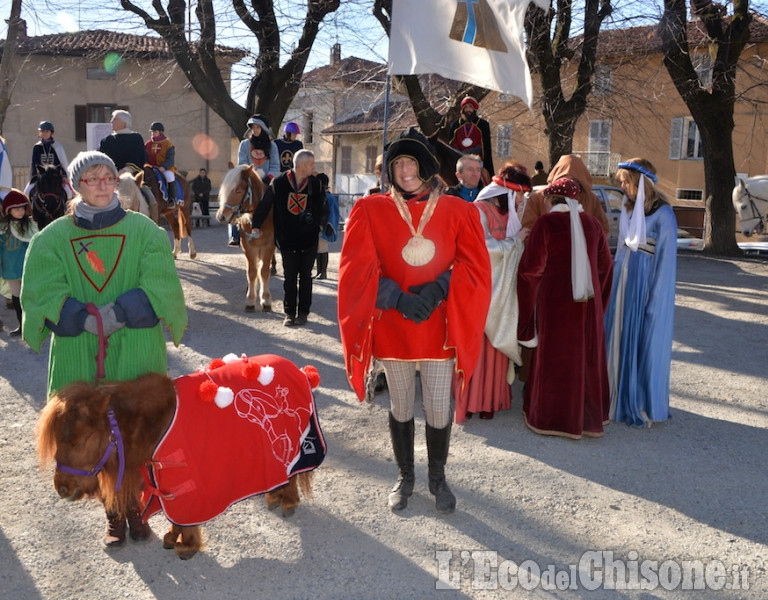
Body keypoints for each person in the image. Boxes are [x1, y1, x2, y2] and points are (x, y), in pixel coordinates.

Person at [21, 150, 187, 547]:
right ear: (76, 186)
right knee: (88, 433)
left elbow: (161, 285)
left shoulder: (146, 232)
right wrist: (82, 317)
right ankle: (113, 515)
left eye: (107, 178)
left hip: (135, 349)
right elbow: (43, 290)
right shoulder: (51, 239)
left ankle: (137, 507)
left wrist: (119, 313)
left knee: (137, 434)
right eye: (91, 179)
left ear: (117, 182)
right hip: (78, 351)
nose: (101, 186)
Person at [338, 127, 491, 514]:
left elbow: (473, 265)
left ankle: (437, 478)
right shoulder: (371, 209)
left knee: (439, 407)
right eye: (397, 163)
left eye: (410, 162)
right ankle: (405, 476)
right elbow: (358, 267)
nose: (405, 170)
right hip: (394, 323)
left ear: (425, 165)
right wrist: (398, 299)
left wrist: (438, 290)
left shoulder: (459, 210)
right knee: (402, 405)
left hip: (439, 325)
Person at [517, 177, 614, 439]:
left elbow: (530, 272)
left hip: (555, 304)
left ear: (550, 199)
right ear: (576, 200)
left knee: (555, 359)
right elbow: (606, 267)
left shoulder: (546, 224)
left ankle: (552, 418)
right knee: (585, 358)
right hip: (588, 304)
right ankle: (587, 419)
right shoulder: (593, 224)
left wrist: (524, 312)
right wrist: (598, 304)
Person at [453, 162, 531, 423]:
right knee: (478, 344)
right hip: (478, 289)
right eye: (518, 194)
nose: (521, 199)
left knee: (496, 347)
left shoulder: (510, 212)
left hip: (500, 292)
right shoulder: (478, 210)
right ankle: (473, 400)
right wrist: (515, 241)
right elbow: (482, 250)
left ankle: (492, 400)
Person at [604, 159, 677, 427]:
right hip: (622, 281)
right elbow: (622, 250)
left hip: (643, 284)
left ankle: (639, 400)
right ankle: (613, 395)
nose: (622, 186)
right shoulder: (628, 208)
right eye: (621, 182)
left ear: (639, 181)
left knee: (640, 339)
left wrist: (655, 300)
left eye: (626, 181)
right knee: (617, 336)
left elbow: (666, 262)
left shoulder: (664, 214)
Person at [250, 149, 328, 327]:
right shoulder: (278, 183)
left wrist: (320, 225)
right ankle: (290, 313)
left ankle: (303, 313)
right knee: (290, 278)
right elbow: (265, 204)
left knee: (306, 277)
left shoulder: (315, 184)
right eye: (311, 164)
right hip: (287, 239)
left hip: (308, 240)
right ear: (301, 165)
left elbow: (323, 207)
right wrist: (256, 224)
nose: (314, 167)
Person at [521, 154, 609, 236]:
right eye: (563, 182)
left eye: (573, 183)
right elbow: (527, 232)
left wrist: (589, 245)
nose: (567, 187)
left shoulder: (591, 199)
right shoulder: (537, 198)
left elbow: (603, 228)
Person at [231, 114, 281, 247]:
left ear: (263, 128)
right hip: (248, 181)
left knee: (279, 202)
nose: (255, 130)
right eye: (253, 127)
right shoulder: (244, 145)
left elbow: (276, 167)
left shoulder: (273, 146)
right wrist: (251, 178)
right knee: (234, 199)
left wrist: (267, 179)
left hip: (268, 182)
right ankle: (235, 235)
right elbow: (242, 164)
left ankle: (280, 232)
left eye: (258, 127)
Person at [0, 190, 38, 336]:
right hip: (10, 269)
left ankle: (34, 325)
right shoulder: (3, 227)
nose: (20, 211)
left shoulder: (30, 225)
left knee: (30, 297)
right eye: (16, 209)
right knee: (17, 299)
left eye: (22, 208)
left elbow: (38, 246)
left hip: (27, 268)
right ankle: (22, 326)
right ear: (9, 210)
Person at [448, 96, 494, 179]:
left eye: (470, 107)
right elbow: (452, 143)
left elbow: (484, 146)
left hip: (477, 160)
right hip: (460, 160)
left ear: (474, 109)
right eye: (466, 107)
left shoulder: (483, 125)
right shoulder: (455, 125)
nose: (468, 110)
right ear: (462, 109)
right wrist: (459, 153)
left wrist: (469, 152)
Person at [26, 121, 72, 199]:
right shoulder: (37, 147)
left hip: (55, 176)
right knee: (27, 192)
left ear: (51, 132)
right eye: (42, 131)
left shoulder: (57, 147)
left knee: (69, 192)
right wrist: (34, 176)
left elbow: (62, 162)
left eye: (46, 131)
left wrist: (64, 175)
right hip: (41, 175)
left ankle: (67, 210)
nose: (44, 133)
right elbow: (34, 163)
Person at [145, 122, 180, 208]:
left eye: (155, 131)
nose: (153, 133)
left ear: (160, 132)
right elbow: (144, 156)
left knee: (169, 177)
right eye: (152, 132)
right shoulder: (147, 144)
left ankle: (172, 199)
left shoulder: (168, 144)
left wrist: (164, 167)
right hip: (150, 167)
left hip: (164, 168)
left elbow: (170, 158)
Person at [314, 172, 339, 280]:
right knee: (318, 249)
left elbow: (333, 213)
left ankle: (323, 272)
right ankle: (320, 271)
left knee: (322, 248)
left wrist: (329, 226)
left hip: (324, 226)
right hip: (319, 226)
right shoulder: (322, 196)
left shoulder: (328, 197)